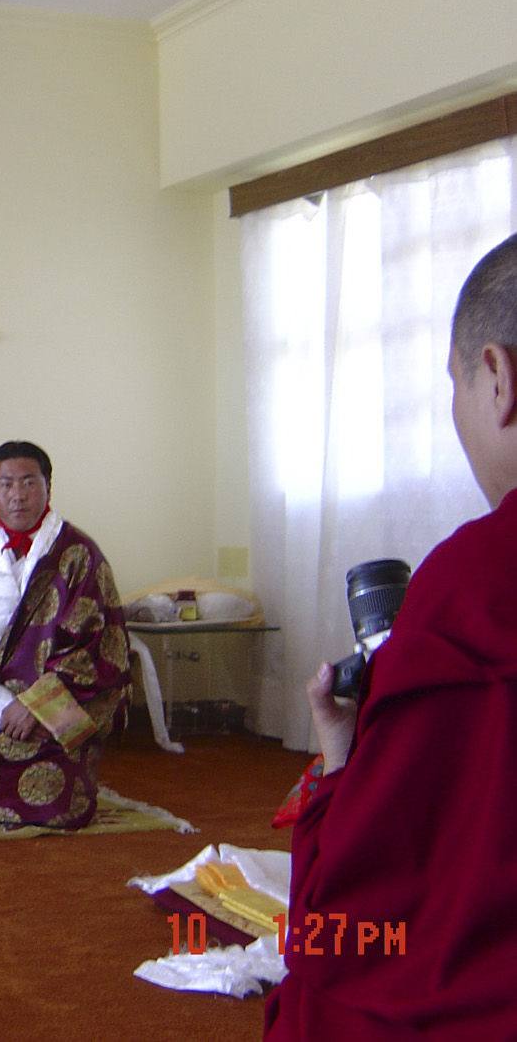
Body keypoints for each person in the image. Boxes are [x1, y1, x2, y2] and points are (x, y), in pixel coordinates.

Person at [263, 233, 517, 1040]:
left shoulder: (477, 581)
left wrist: (342, 756)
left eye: (453, 383)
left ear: (498, 377)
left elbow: (361, 909)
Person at [0, 442, 130, 828]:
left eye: (29, 482)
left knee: (54, 802)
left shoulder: (79, 553)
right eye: (6, 484)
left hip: (56, 706)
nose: (18, 495)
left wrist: (36, 705)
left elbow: (100, 643)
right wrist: (0, 707)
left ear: (48, 487)